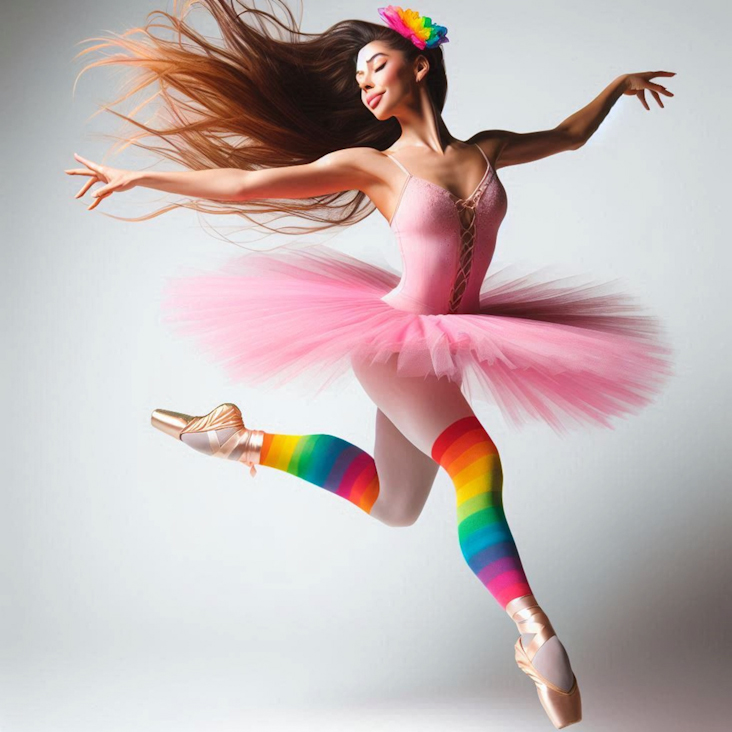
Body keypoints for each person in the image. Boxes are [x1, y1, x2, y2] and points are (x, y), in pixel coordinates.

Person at [66, 2, 676, 727]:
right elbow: (247, 185)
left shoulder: (485, 150)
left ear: (420, 65)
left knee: (395, 503)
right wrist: (140, 179)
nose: (363, 85)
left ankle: (239, 440)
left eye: (374, 66)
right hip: (391, 342)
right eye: (357, 78)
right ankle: (533, 630)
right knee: (476, 462)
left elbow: (570, 136)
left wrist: (615, 87)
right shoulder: (374, 166)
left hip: (451, 344)